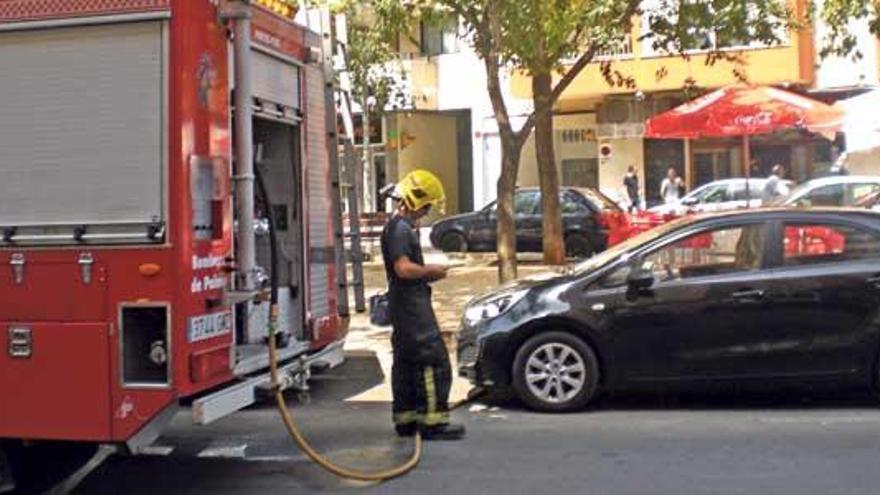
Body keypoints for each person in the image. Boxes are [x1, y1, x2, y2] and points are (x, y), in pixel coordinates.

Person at [380, 170, 465, 441]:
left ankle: (406, 419)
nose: (426, 212)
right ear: (417, 202)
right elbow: (403, 269)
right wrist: (432, 271)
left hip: (403, 307)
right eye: (426, 206)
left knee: (406, 363)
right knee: (432, 360)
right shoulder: (401, 230)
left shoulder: (396, 227)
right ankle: (433, 422)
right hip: (412, 308)